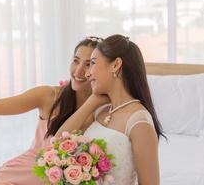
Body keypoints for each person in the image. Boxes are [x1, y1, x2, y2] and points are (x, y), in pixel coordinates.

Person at [0, 36, 103, 185]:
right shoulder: (49, 96)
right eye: (76, 61)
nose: (78, 71)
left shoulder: (104, 108)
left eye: (89, 64)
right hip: (14, 178)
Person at [56, 34, 166, 185]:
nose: (87, 73)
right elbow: (58, 142)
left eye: (92, 63)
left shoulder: (139, 122)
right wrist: (92, 102)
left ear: (116, 65)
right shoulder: (101, 111)